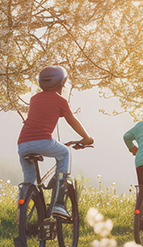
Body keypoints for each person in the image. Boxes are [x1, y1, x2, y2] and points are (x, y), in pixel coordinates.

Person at [17, 66, 94, 218]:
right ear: (62, 83)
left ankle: (22, 218)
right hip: (43, 141)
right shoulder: (60, 100)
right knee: (64, 152)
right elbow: (72, 120)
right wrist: (86, 137)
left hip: (23, 143)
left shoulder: (34, 99)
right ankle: (59, 203)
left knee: (29, 181)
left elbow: (42, 115)